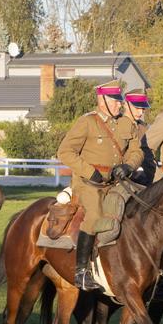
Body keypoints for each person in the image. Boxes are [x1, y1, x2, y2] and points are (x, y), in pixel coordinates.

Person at [54, 79, 143, 290]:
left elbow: (137, 151)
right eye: (115, 100)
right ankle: (81, 271)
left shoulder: (126, 123)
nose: (120, 104)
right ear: (102, 100)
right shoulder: (87, 122)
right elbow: (65, 152)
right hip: (88, 183)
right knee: (94, 215)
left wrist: (129, 166)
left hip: (117, 181)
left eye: (120, 100)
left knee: (143, 204)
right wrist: (89, 172)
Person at [124, 90, 154, 182]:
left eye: (143, 109)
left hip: (145, 179)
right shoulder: (116, 126)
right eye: (137, 108)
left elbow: (149, 157)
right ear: (126, 105)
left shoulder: (144, 128)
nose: (141, 112)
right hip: (123, 178)